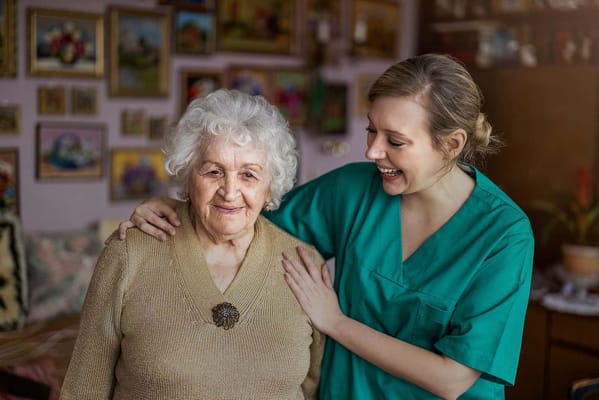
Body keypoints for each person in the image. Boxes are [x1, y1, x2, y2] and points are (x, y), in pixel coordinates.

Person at [118, 54, 534, 400]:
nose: (372, 150)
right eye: (372, 129)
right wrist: (179, 204)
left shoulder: (504, 235)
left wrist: (335, 322)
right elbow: (248, 222)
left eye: (395, 140)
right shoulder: (352, 190)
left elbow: (453, 379)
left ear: (452, 144)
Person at [60, 89, 325, 400]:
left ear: (271, 188)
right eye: (213, 171)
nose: (229, 190)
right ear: (187, 176)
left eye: (249, 175)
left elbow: (316, 387)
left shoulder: (305, 264)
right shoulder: (130, 254)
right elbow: (83, 389)